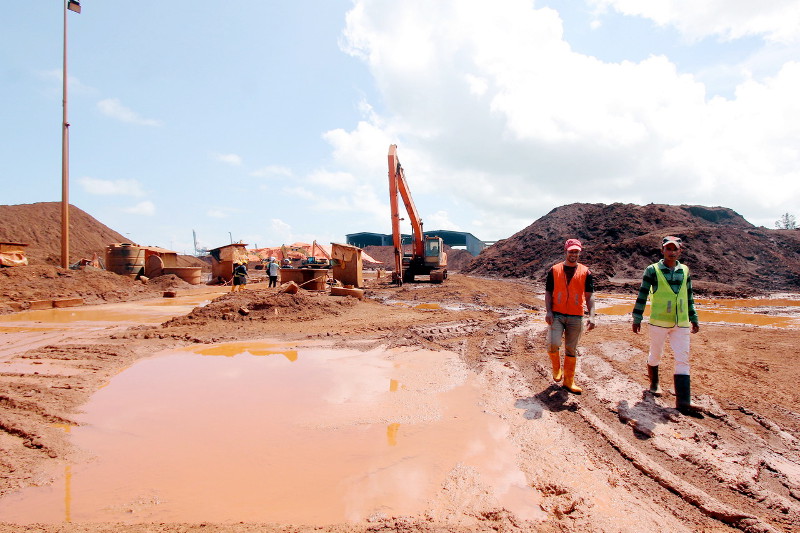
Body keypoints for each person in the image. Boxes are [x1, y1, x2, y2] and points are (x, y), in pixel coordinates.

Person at [631, 236, 701, 416]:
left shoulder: (685, 270)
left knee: (683, 358)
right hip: (659, 322)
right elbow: (643, 293)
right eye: (668, 249)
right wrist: (637, 317)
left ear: (680, 251)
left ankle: (683, 400)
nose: (671, 252)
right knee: (656, 354)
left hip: (681, 322)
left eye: (674, 249)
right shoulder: (652, 270)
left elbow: (689, 295)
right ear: (662, 251)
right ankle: (654, 383)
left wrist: (694, 317)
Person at [545, 238, 596, 394]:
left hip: (576, 316)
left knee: (571, 349)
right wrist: (548, 311)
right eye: (571, 251)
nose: (573, 254)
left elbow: (589, 296)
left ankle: (568, 381)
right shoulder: (554, 270)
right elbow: (548, 292)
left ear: (579, 252)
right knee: (553, 344)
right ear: (566, 251)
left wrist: (592, 315)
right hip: (557, 314)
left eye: (576, 251)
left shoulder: (585, 272)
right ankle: (556, 369)